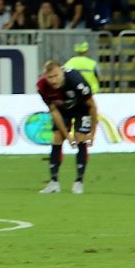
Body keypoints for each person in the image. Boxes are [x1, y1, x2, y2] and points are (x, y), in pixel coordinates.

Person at [37, 60, 98, 195]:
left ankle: (79, 182)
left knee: (80, 138)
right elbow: (53, 111)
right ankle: (54, 182)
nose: (53, 81)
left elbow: (92, 106)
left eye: (56, 76)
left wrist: (93, 132)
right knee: (57, 138)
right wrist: (67, 135)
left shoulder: (76, 80)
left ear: (62, 72)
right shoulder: (42, 86)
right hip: (63, 111)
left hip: (82, 109)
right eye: (49, 77)